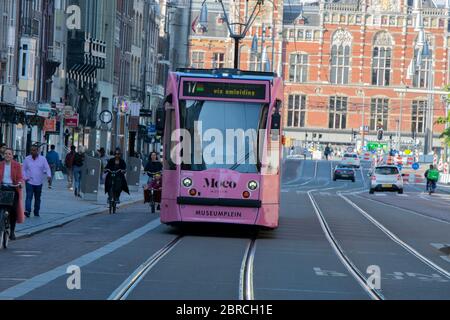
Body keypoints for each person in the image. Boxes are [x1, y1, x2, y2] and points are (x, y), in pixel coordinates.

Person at [0, 148, 25, 240]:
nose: (7, 155)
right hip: (2, 188)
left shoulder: (17, 165)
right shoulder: (0, 165)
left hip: (12, 188)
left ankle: (12, 231)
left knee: (14, 210)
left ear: (12, 155)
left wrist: (20, 184)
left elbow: (20, 177)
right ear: (3, 155)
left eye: (9, 154)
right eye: (6, 153)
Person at [22, 145, 51, 218]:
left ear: (38, 151)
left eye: (34, 150)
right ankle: (27, 211)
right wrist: (25, 177)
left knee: (37, 198)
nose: (33, 152)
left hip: (39, 182)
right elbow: (23, 169)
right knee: (29, 197)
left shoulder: (43, 159)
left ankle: (36, 211)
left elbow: (47, 168)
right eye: (31, 150)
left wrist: (49, 175)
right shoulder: (27, 159)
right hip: (29, 182)